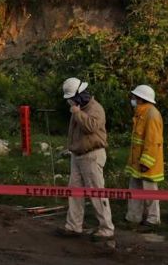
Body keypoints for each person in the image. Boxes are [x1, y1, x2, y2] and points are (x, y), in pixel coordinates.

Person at [58, 78, 115, 241]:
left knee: (97, 193)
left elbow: (90, 127)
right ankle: (73, 226)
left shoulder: (95, 109)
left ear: (80, 94)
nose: (70, 102)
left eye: (71, 98)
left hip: (91, 155)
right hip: (78, 155)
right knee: (74, 192)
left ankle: (106, 228)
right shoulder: (79, 108)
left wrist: (77, 113)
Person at [125, 85, 164, 229]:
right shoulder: (141, 113)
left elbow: (153, 141)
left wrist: (146, 161)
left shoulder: (152, 115)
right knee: (135, 189)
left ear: (141, 98)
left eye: (135, 97)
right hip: (137, 161)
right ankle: (133, 217)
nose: (133, 99)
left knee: (150, 191)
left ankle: (153, 219)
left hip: (147, 162)